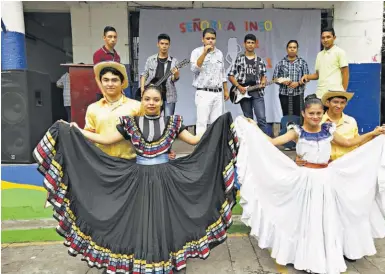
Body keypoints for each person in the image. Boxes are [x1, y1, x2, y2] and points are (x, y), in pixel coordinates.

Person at [33, 84, 238, 273]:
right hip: (138, 177)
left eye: (156, 99)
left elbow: (195, 141)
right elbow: (106, 139)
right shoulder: (130, 123)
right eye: (147, 99)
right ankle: (141, 260)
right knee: (141, 219)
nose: (151, 103)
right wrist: (77, 130)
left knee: (163, 219)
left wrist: (221, 125)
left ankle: (166, 260)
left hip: (166, 178)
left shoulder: (173, 122)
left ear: (162, 101)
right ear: (142, 100)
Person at [233, 95, 385, 274]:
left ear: (323, 114)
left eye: (318, 113)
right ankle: (304, 256)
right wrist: (253, 129)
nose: (315, 116)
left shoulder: (329, 129)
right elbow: (273, 142)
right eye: (311, 113)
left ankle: (328, 254)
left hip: (327, 177)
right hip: (305, 179)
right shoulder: (296, 131)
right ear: (304, 113)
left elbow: (348, 142)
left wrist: (373, 134)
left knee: (326, 217)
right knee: (307, 218)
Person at [190, 28, 229, 135]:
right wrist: (204, 53)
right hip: (203, 92)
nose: (210, 41)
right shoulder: (196, 52)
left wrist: (226, 90)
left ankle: (214, 149)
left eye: (213, 38)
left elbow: (222, 73)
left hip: (217, 92)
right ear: (203, 39)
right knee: (202, 122)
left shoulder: (219, 53)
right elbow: (194, 68)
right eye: (208, 38)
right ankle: (201, 149)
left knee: (216, 123)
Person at [228, 34, 267, 133]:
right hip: (243, 93)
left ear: (255, 45)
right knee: (248, 119)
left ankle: (264, 143)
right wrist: (238, 86)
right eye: (248, 42)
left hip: (257, 92)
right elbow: (230, 75)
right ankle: (250, 143)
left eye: (252, 43)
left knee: (261, 118)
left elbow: (263, 76)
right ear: (244, 44)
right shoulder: (239, 59)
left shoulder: (260, 61)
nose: (250, 45)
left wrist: (263, 81)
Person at [300, 27, 349, 100]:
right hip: (320, 94)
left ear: (334, 38)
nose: (325, 40)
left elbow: (345, 73)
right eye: (323, 38)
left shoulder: (340, 52)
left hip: (334, 95)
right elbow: (317, 75)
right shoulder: (319, 55)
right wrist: (307, 76)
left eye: (328, 37)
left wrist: (343, 93)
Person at [139, 33, 180, 116]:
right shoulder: (151, 59)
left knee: (168, 120)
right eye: (162, 43)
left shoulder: (174, 61)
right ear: (158, 44)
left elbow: (174, 79)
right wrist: (142, 89)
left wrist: (176, 74)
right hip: (152, 93)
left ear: (169, 45)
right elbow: (144, 74)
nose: (164, 46)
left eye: (166, 44)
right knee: (152, 118)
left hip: (168, 95)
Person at [273, 40, 309, 119]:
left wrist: (298, 83)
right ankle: (287, 130)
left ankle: (297, 131)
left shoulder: (302, 63)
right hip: (284, 94)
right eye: (290, 47)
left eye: (294, 47)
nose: (292, 49)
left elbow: (307, 78)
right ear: (287, 49)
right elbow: (274, 78)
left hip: (298, 93)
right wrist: (282, 81)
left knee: (299, 116)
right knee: (286, 116)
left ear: (297, 49)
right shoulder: (280, 63)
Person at [93, 26, 121, 101]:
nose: (113, 39)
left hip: (115, 92)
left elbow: (118, 75)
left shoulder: (117, 56)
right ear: (104, 38)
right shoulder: (98, 54)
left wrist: (120, 90)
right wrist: (104, 93)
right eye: (110, 37)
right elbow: (97, 76)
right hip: (103, 93)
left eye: (115, 37)